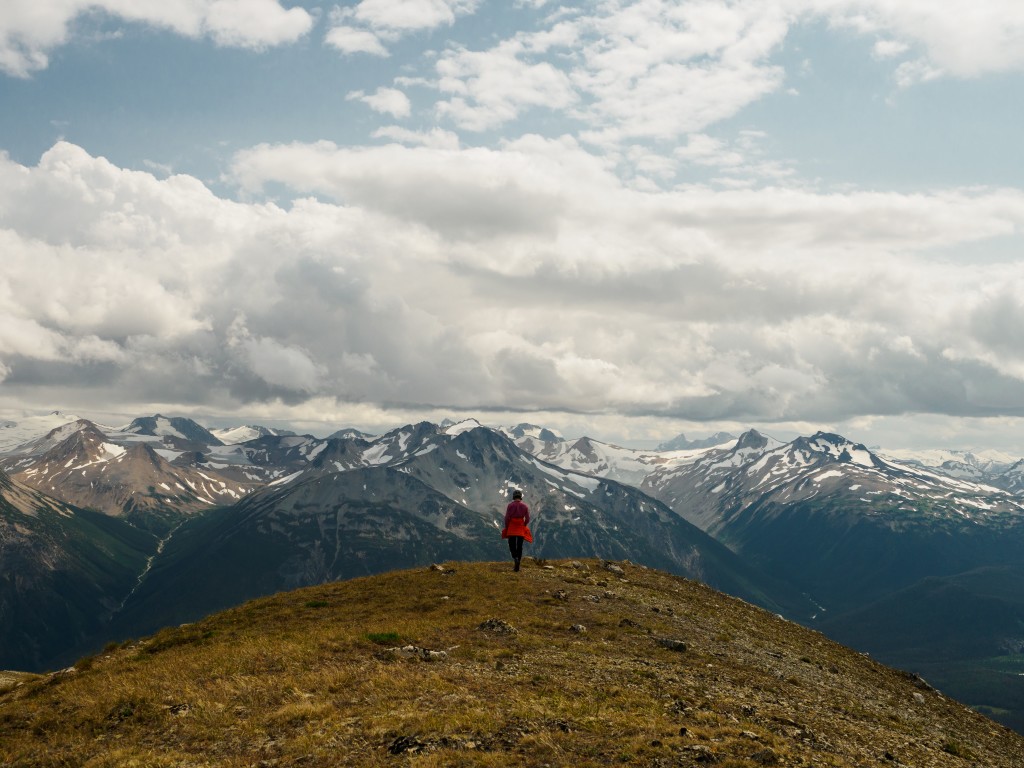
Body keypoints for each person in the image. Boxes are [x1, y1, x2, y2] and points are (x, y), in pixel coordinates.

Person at [502, 489, 532, 571]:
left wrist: (507, 527)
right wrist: (524, 525)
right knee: (519, 546)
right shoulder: (525, 506)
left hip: (512, 527)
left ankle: (515, 557)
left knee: (512, 545)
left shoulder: (510, 505)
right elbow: (528, 519)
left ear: (514, 497)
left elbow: (507, 518)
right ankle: (518, 561)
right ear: (520, 497)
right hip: (520, 527)